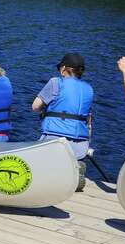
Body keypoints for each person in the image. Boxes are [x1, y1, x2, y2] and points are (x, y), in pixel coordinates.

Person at [32, 53, 94, 191]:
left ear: (63, 68)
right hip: (80, 143)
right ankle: (75, 167)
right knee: (69, 161)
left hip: (54, 140)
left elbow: (35, 106)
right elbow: (89, 120)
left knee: (38, 168)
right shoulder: (89, 89)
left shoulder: (55, 82)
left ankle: (57, 172)